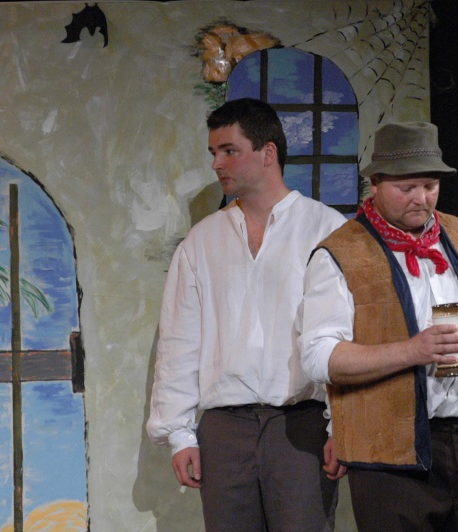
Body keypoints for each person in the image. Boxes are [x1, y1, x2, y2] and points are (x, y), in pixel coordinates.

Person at [298, 121, 458, 531]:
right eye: (406, 187)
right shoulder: (340, 253)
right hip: (391, 461)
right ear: (375, 184)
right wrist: (411, 351)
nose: (421, 199)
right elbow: (319, 356)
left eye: (430, 186)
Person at [147, 98, 345, 531]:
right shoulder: (202, 241)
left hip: (301, 424)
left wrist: (342, 427)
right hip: (225, 429)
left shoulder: (325, 229)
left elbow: (344, 336)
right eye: (213, 152)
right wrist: (179, 434)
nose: (217, 163)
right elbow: (179, 342)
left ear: (267, 152)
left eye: (229, 150)